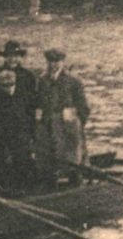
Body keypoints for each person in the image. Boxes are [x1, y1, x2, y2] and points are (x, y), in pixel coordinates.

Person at [0, 66, 37, 190]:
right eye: (5, 86)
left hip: (19, 134)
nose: (8, 88)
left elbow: (29, 114)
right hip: (0, 134)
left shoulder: (21, 96)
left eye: (11, 85)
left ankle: (25, 188)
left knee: (22, 160)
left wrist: (30, 133)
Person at [35, 48, 89, 183]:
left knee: (72, 156)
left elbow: (83, 106)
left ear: (63, 62)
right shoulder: (42, 80)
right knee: (48, 155)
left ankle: (75, 183)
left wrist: (77, 121)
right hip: (48, 124)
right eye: (51, 62)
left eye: (57, 61)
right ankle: (51, 185)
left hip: (67, 125)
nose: (54, 65)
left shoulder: (73, 80)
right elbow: (38, 102)